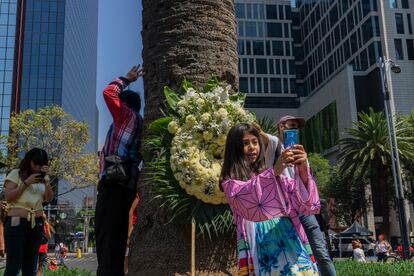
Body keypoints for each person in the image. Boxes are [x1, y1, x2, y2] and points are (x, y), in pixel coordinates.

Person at [220, 123, 321, 275]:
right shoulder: (229, 181)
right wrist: (274, 171)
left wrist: (302, 170)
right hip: (258, 242)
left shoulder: (273, 175)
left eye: (255, 142)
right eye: (245, 143)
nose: (252, 147)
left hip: (289, 236)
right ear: (235, 148)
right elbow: (248, 198)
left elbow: (303, 202)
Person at [255, 116, 337, 275]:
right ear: (281, 127)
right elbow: (258, 131)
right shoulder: (274, 143)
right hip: (283, 212)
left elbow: (308, 183)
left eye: (296, 127)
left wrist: (304, 165)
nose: (294, 129)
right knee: (290, 253)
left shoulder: (301, 152)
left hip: (303, 208)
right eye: (290, 125)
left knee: (321, 251)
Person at [95, 65, 144, 276]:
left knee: (106, 240)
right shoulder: (142, 123)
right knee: (116, 241)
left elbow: (108, 92)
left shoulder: (124, 115)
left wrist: (127, 78)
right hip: (128, 186)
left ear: (124, 104)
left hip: (113, 186)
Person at [3, 148, 53, 275]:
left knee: (31, 266)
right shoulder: (16, 173)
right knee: (14, 265)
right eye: (35, 164)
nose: (37, 167)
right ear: (29, 161)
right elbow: (9, 197)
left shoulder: (43, 179)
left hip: (37, 223)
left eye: (41, 165)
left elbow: (49, 198)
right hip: (17, 222)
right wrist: (26, 183)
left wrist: (46, 180)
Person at [124, 192, 140, 274]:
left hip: (136, 225)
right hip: (132, 225)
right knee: (127, 252)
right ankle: (125, 272)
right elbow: (130, 212)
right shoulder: (138, 195)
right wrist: (129, 231)